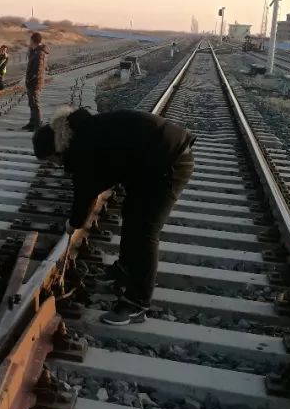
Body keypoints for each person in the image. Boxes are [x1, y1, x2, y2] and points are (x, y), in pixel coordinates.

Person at [32, 108, 195, 325]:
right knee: (132, 213)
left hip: (170, 162)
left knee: (145, 231)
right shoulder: (82, 132)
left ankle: (137, 303)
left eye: (52, 161)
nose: (56, 166)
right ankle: (125, 268)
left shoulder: (82, 148)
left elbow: (86, 191)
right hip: (152, 162)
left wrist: (74, 223)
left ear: (55, 150)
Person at [22, 32, 50, 131]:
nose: (29, 42)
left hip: (35, 82)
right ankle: (32, 122)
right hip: (32, 82)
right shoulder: (35, 51)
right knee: (32, 103)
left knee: (35, 103)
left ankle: (37, 124)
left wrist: (31, 78)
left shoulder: (40, 53)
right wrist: (30, 50)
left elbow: (38, 69)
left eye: (30, 40)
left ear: (33, 41)